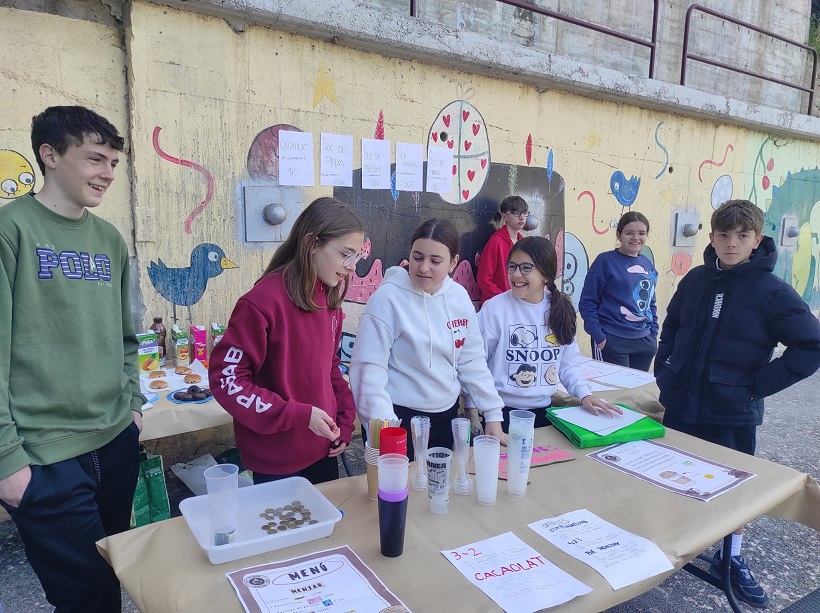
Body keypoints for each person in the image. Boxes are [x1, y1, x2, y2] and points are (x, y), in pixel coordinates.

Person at [0, 106, 144, 612]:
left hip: (115, 439)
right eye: (94, 159)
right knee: (85, 599)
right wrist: (7, 461)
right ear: (50, 154)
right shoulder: (10, 230)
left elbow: (127, 336)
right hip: (45, 454)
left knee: (113, 574)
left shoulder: (109, 239)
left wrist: (133, 407)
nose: (107, 173)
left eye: (113, 163)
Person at [655, 199, 820, 607]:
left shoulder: (771, 292)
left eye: (742, 236)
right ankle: (669, 542)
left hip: (731, 412)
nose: (732, 244)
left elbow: (810, 345)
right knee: (671, 475)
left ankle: (730, 558)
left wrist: (754, 387)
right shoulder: (695, 279)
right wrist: (665, 368)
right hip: (681, 404)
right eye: (724, 235)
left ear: (757, 240)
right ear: (712, 238)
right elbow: (672, 325)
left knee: (732, 489)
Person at [209, 198, 362, 485]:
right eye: (345, 254)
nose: (351, 267)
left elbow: (330, 367)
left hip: (323, 448)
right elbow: (228, 380)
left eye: (356, 257)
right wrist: (295, 414)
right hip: (276, 459)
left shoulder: (329, 298)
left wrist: (344, 419)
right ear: (312, 243)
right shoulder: (262, 302)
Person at [350, 218, 507, 459]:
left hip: (445, 416)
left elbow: (472, 360)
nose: (423, 268)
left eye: (435, 261)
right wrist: (386, 429)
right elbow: (368, 369)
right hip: (396, 418)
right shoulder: (387, 299)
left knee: (440, 480)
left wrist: (493, 413)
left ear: (453, 262)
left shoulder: (459, 298)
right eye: (417, 257)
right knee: (400, 483)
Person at [471, 236, 621, 432]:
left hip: (544, 412)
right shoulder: (494, 309)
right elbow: (475, 363)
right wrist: (474, 411)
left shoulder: (561, 310)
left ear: (545, 274)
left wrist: (585, 394)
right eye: (512, 267)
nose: (516, 274)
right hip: (498, 413)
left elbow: (568, 364)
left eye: (526, 268)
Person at [579, 211, 658, 371]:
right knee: (612, 388)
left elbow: (651, 302)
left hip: (644, 341)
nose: (636, 238)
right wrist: (599, 337)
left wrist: (653, 333)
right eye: (629, 233)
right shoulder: (605, 261)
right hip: (612, 339)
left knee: (637, 388)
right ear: (619, 234)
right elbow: (588, 302)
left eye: (641, 233)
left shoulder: (647, 264)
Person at [477, 195, 529, 306]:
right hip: (496, 305)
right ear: (504, 216)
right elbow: (483, 280)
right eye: (516, 213)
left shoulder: (523, 243)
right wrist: (503, 299)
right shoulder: (495, 242)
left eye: (525, 213)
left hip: (517, 303)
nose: (522, 217)